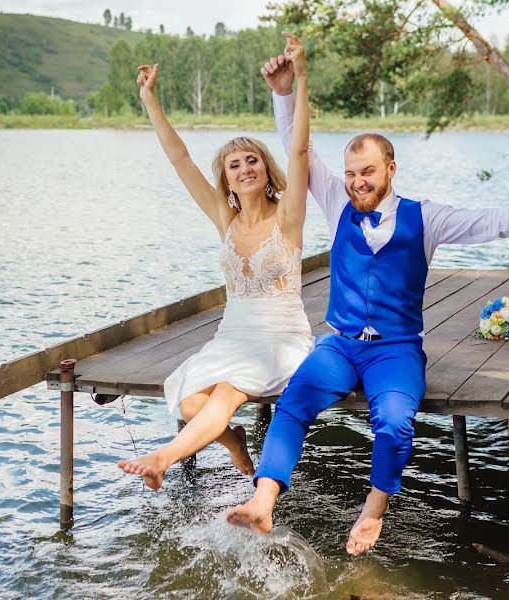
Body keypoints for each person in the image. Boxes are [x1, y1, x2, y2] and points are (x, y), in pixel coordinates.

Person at [227, 51, 509, 555]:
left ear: (390, 168)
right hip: (341, 345)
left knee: (393, 423)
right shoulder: (335, 202)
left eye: (367, 171)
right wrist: (283, 94)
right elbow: (296, 148)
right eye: (351, 173)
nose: (357, 182)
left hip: (395, 350)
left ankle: (373, 511)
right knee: (292, 402)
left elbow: (494, 222)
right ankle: (263, 500)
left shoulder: (426, 218)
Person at [117, 33, 314, 490]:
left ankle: (161, 458)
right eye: (234, 165)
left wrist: (301, 77)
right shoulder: (223, 217)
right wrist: (150, 100)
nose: (245, 169)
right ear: (225, 178)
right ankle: (233, 442)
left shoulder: (288, 216)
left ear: (265, 168)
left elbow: (300, 150)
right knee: (190, 404)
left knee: (225, 393)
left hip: (280, 337)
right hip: (234, 335)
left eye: (252, 161)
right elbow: (179, 157)